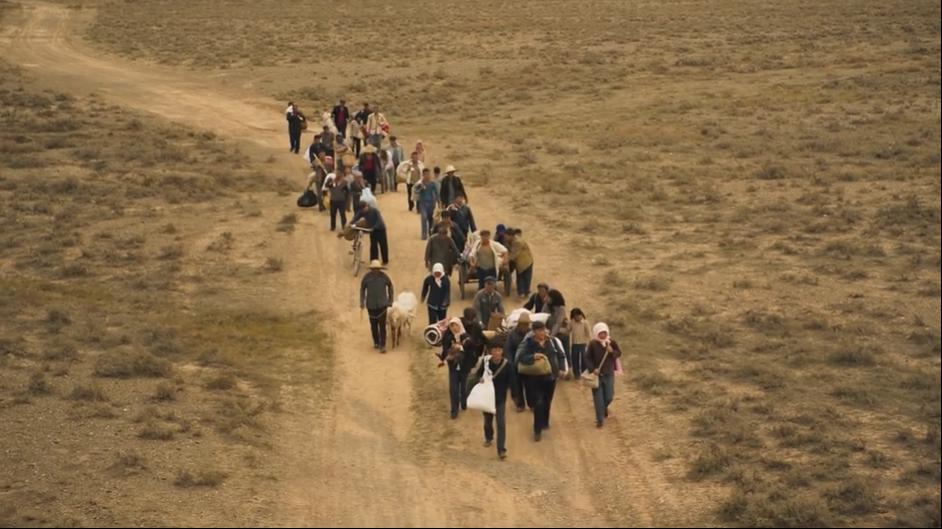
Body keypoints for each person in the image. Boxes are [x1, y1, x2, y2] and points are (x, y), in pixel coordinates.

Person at [516, 321, 566, 441]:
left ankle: (544, 422)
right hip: (534, 378)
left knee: (547, 401)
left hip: (551, 377)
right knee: (538, 403)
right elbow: (521, 358)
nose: (542, 333)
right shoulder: (528, 343)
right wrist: (532, 357)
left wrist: (562, 368)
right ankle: (537, 430)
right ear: (534, 332)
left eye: (543, 330)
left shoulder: (552, 341)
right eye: (539, 330)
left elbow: (561, 355)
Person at [471, 339, 512, 460]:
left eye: (499, 350)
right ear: (491, 351)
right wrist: (480, 379)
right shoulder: (486, 363)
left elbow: (512, 380)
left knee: (501, 424)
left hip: (500, 398)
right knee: (488, 420)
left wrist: (515, 395)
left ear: (502, 351)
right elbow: (478, 374)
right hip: (487, 397)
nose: (497, 352)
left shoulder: (507, 365)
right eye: (495, 350)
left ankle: (501, 450)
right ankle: (488, 437)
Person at [585, 322, 623, 428]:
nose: (603, 335)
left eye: (604, 332)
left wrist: (612, 352)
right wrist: (593, 369)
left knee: (609, 396)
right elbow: (587, 358)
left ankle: (603, 408)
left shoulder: (611, 342)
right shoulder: (592, 344)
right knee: (598, 398)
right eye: (600, 333)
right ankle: (599, 419)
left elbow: (619, 352)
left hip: (609, 374)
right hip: (597, 376)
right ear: (596, 333)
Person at [360, 260, 394, 353]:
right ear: (371, 269)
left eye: (377, 269)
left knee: (382, 326)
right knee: (373, 325)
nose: (375, 271)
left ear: (380, 269)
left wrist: (390, 300)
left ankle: (383, 345)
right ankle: (376, 341)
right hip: (370, 305)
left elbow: (390, 287)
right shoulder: (366, 277)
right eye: (374, 269)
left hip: (382, 305)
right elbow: (362, 290)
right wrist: (362, 302)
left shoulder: (384, 277)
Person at [438, 317, 469, 419]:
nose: (454, 328)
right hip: (453, 367)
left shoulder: (465, 336)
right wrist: (444, 357)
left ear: (460, 325)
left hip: (464, 367)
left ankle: (464, 402)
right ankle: (454, 410)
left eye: (456, 325)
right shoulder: (447, 336)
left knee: (463, 388)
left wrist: (461, 348)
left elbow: (471, 349)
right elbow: (445, 349)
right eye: (452, 326)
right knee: (453, 389)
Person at [504, 311, 531, 411]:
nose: (524, 326)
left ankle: (531, 403)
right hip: (516, 362)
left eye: (526, 324)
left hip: (529, 362)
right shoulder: (512, 335)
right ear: (519, 324)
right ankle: (520, 404)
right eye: (523, 324)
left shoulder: (531, 334)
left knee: (530, 384)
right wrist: (511, 362)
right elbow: (508, 349)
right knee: (517, 384)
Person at [545, 289, 570, 377]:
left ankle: (567, 370)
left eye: (548, 297)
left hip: (561, 333)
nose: (546, 298)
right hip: (549, 333)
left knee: (564, 352)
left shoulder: (561, 309)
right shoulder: (546, 306)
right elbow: (542, 317)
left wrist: (551, 335)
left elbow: (558, 323)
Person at [505, 229, 534, 298]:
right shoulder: (513, 240)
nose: (505, 238)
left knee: (523, 277)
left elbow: (514, 254)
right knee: (522, 277)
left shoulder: (517, 242)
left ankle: (523, 293)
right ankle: (523, 292)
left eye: (506, 236)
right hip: (523, 261)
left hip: (525, 261)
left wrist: (505, 260)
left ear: (511, 236)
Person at [413, 168, 439, 240]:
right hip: (423, 204)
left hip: (431, 203)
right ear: (423, 175)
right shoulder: (420, 183)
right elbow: (415, 191)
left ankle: (430, 233)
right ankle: (424, 235)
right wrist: (420, 188)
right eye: (426, 174)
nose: (428, 176)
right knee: (424, 218)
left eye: (428, 174)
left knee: (431, 219)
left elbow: (436, 193)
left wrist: (439, 201)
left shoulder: (432, 183)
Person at [569, 308, 591, 380]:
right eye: (575, 316)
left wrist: (590, 343)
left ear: (581, 314)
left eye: (578, 316)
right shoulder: (572, 322)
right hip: (574, 344)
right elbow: (568, 330)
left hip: (583, 344)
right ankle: (576, 374)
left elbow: (589, 334)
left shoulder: (585, 323)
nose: (577, 318)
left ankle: (584, 373)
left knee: (584, 359)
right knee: (574, 359)